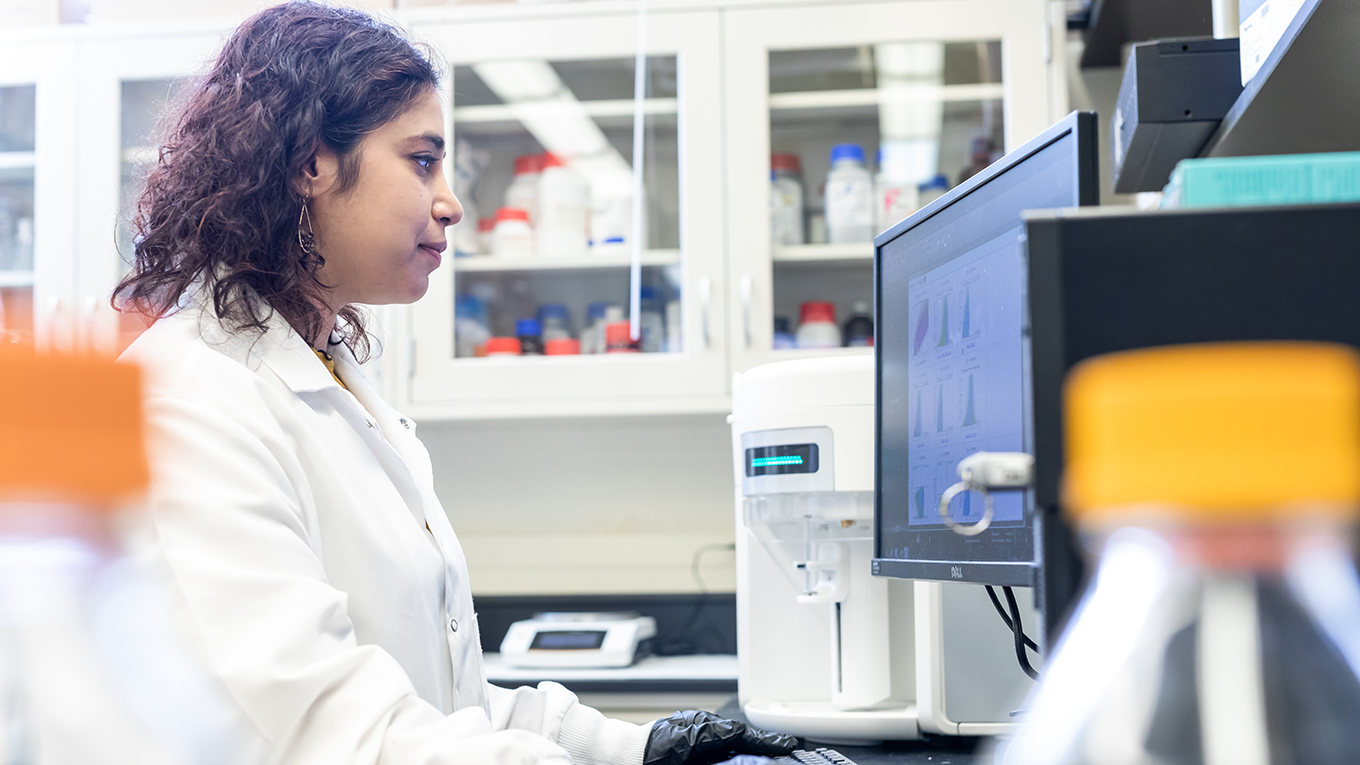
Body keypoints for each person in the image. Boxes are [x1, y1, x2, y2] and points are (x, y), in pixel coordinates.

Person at [114, 4, 797, 764]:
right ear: (311, 163)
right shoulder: (186, 400)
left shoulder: (329, 376)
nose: (452, 201)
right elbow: (342, 734)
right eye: (421, 160)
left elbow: (445, 700)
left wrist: (646, 747)